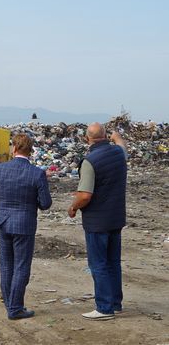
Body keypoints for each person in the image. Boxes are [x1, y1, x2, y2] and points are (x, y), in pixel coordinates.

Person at [0, 133, 52, 320]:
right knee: (22, 267)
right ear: (30, 151)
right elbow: (46, 203)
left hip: (4, 223)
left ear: (13, 148)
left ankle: (11, 305)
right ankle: (15, 308)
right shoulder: (37, 173)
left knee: (7, 266)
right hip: (25, 224)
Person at [68, 123, 128, 321]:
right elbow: (121, 144)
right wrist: (115, 136)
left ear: (87, 139)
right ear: (105, 137)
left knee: (99, 264)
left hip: (97, 221)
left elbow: (85, 195)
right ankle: (115, 303)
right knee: (113, 263)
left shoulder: (90, 161)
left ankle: (104, 308)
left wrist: (73, 207)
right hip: (116, 218)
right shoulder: (119, 155)